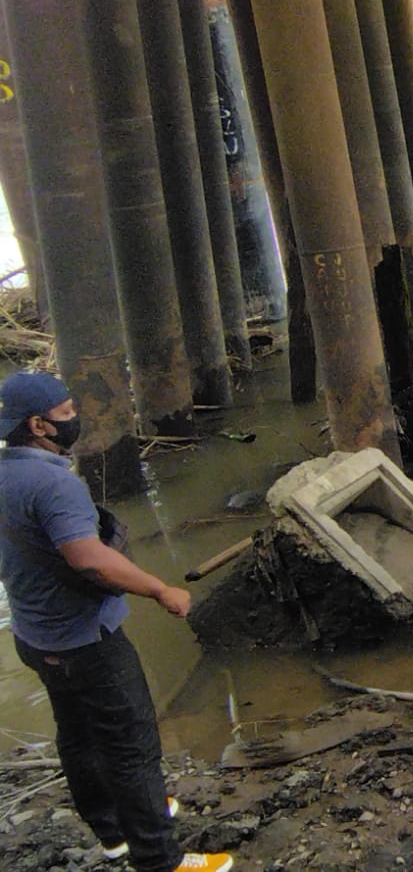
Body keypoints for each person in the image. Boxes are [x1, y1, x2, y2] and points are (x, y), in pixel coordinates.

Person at [0, 372, 233, 872]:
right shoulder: (53, 482)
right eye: (66, 413)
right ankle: (160, 859)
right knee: (133, 747)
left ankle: (112, 832)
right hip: (88, 642)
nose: (74, 419)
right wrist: (159, 589)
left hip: (34, 636)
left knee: (77, 735)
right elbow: (90, 561)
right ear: (38, 425)